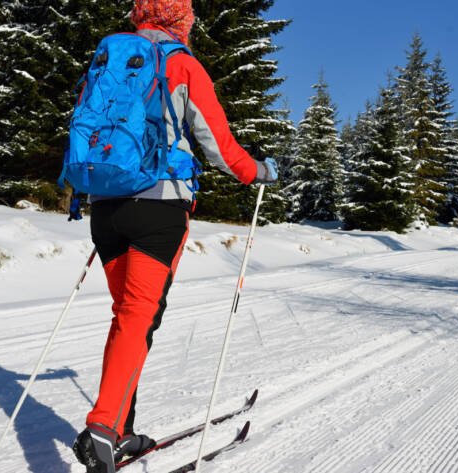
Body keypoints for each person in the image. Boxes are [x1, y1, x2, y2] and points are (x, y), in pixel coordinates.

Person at [71, 1, 278, 472]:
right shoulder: (181, 64)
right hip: (159, 209)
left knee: (128, 318)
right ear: (178, 19)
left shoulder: (106, 61)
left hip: (104, 208)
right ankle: (103, 429)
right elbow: (220, 146)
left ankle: (120, 431)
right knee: (137, 318)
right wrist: (259, 171)